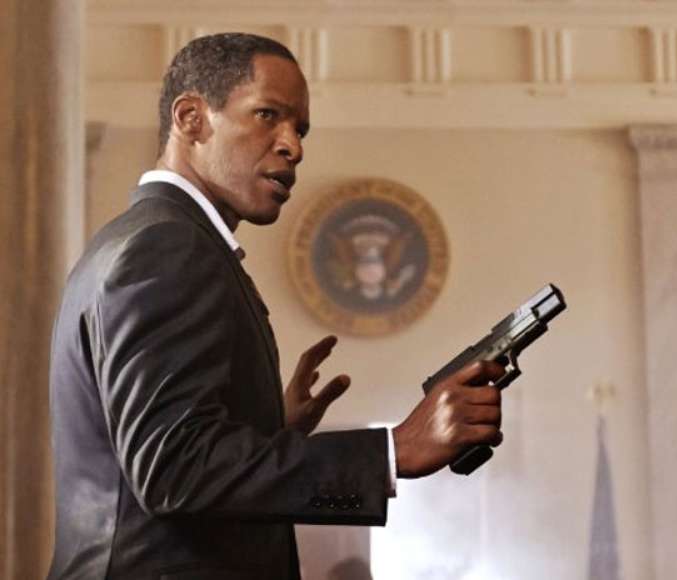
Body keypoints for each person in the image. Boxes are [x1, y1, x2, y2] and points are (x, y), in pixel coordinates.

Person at [47, 33, 505, 580]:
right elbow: (173, 468)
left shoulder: (141, 240)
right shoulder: (167, 246)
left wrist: (268, 431)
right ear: (191, 118)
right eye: (268, 115)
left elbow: (162, 452)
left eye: (300, 129)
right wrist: (394, 450)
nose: (293, 147)